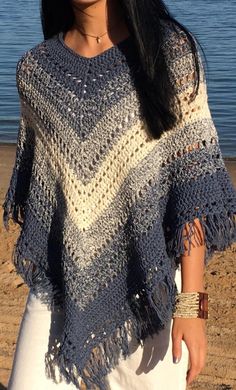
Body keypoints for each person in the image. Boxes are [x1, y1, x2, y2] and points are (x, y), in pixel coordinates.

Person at [3, 0, 236, 389]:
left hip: (150, 291)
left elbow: (192, 189)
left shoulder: (169, 52)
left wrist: (191, 305)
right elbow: (40, 197)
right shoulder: (36, 70)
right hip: (58, 285)